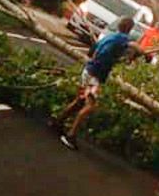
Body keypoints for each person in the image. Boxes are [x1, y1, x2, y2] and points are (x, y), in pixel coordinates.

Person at [53, 16, 143, 150]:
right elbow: (135, 47)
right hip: (94, 77)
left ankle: (57, 122)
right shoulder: (123, 39)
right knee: (91, 105)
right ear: (129, 29)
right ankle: (70, 135)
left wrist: (116, 60)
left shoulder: (109, 37)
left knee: (79, 101)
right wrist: (145, 53)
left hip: (88, 70)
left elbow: (93, 52)